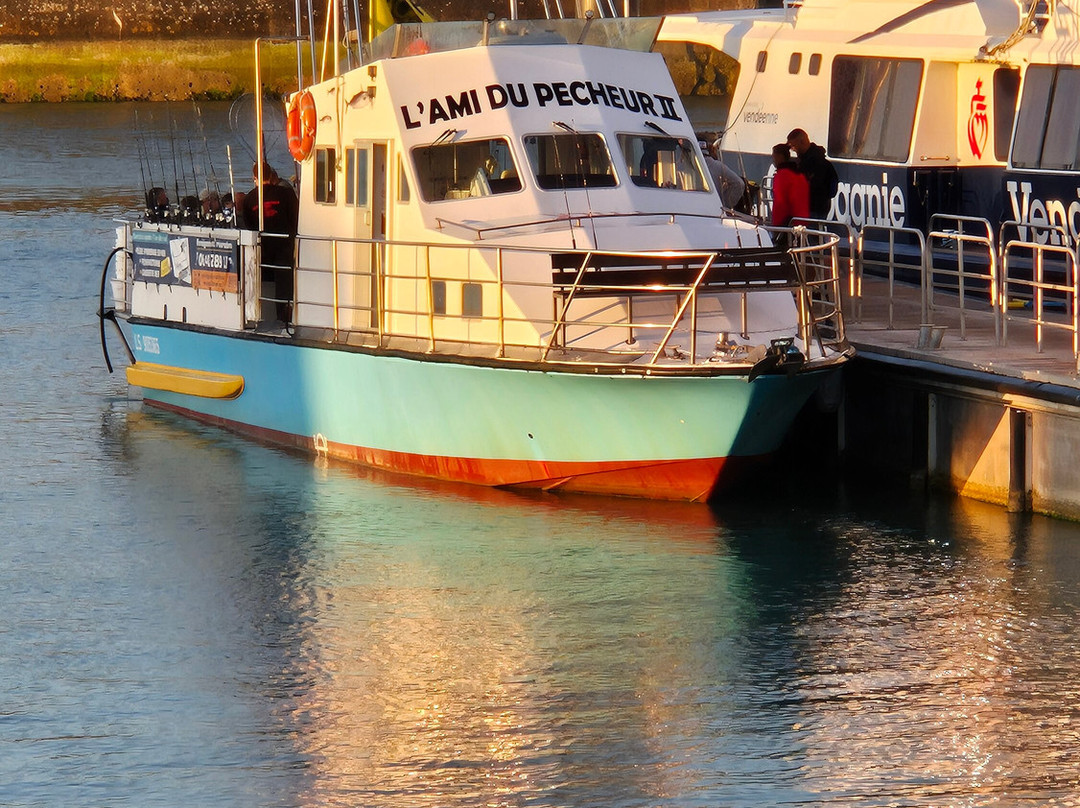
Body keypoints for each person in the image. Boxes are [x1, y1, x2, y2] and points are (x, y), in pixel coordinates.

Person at [241, 162, 299, 324]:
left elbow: (248, 226)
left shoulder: (249, 199)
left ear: (255, 178)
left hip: (262, 250)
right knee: (284, 286)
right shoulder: (286, 194)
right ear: (272, 175)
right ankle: (284, 316)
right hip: (284, 248)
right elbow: (295, 218)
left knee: (260, 283)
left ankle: (259, 316)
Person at [787, 127, 838, 220]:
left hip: (813, 209)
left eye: (793, 146)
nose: (793, 150)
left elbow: (817, 186)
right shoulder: (816, 161)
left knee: (811, 232)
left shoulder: (814, 163)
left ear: (802, 142)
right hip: (818, 207)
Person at [769, 143, 809, 249]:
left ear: (780, 157)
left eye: (774, 156)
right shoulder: (799, 174)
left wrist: (777, 224)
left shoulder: (782, 176)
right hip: (802, 220)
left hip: (786, 223)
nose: (773, 160)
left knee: (783, 253)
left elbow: (781, 202)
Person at [701, 139, 746, 210]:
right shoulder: (718, 166)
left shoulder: (682, 166)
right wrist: (723, 204)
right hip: (713, 209)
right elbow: (739, 183)